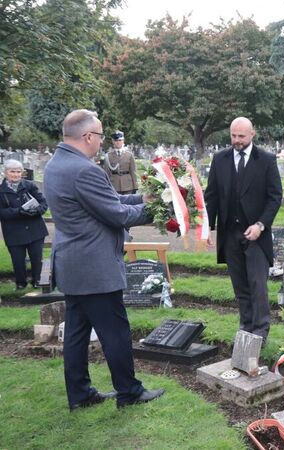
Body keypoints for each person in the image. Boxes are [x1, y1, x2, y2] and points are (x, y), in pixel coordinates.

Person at [43, 109, 164, 411]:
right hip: (94, 267)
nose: (102, 140)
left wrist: (144, 199)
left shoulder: (57, 164)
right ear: (87, 136)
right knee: (115, 332)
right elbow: (116, 214)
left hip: (72, 264)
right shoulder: (84, 169)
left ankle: (80, 394)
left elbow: (110, 200)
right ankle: (129, 392)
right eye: (99, 134)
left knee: (75, 333)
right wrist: (163, 209)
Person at [204, 117, 282, 340]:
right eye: (233, 136)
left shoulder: (266, 160)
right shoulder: (220, 159)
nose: (236, 141)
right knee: (240, 286)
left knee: (258, 286)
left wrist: (261, 225)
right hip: (230, 233)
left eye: (241, 136)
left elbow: (275, 197)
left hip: (256, 234)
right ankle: (246, 329)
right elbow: (212, 196)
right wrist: (208, 227)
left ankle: (260, 334)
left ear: (252, 134)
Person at [0, 159, 48, 289]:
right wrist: (18, 211)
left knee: (36, 259)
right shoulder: (1, 190)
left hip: (35, 230)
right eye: (12, 172)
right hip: (13, 232)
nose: (15, 174)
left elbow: (44, 203)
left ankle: (37, 281)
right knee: (18, 261)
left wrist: (35, 211)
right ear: (5, 173)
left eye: (18, 172)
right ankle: (20, 283)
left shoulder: (29, 185)